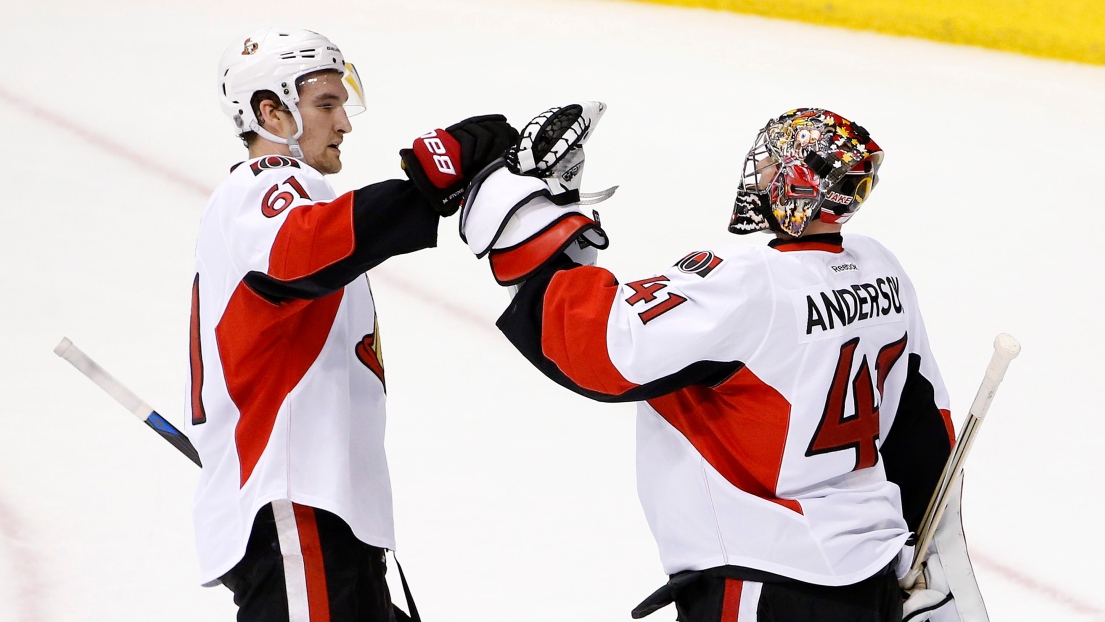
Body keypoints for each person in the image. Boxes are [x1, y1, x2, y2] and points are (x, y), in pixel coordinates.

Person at [459, 104, 985, 621]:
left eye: (773, 165)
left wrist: (529, 213)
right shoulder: (883, 271)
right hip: (871, 581)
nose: (759, 174)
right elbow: (923, 429)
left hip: (766, 580)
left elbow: (599, 347)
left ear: (798, 186)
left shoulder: (750, 284)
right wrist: (932, 562)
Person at [183, 28, 516, 621]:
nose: (344, 124)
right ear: (271, 112)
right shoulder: (265, 186)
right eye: (325, 105)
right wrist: (426, 185)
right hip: (294, 502)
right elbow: (299, 250)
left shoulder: (293, 199)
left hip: (324, 514)